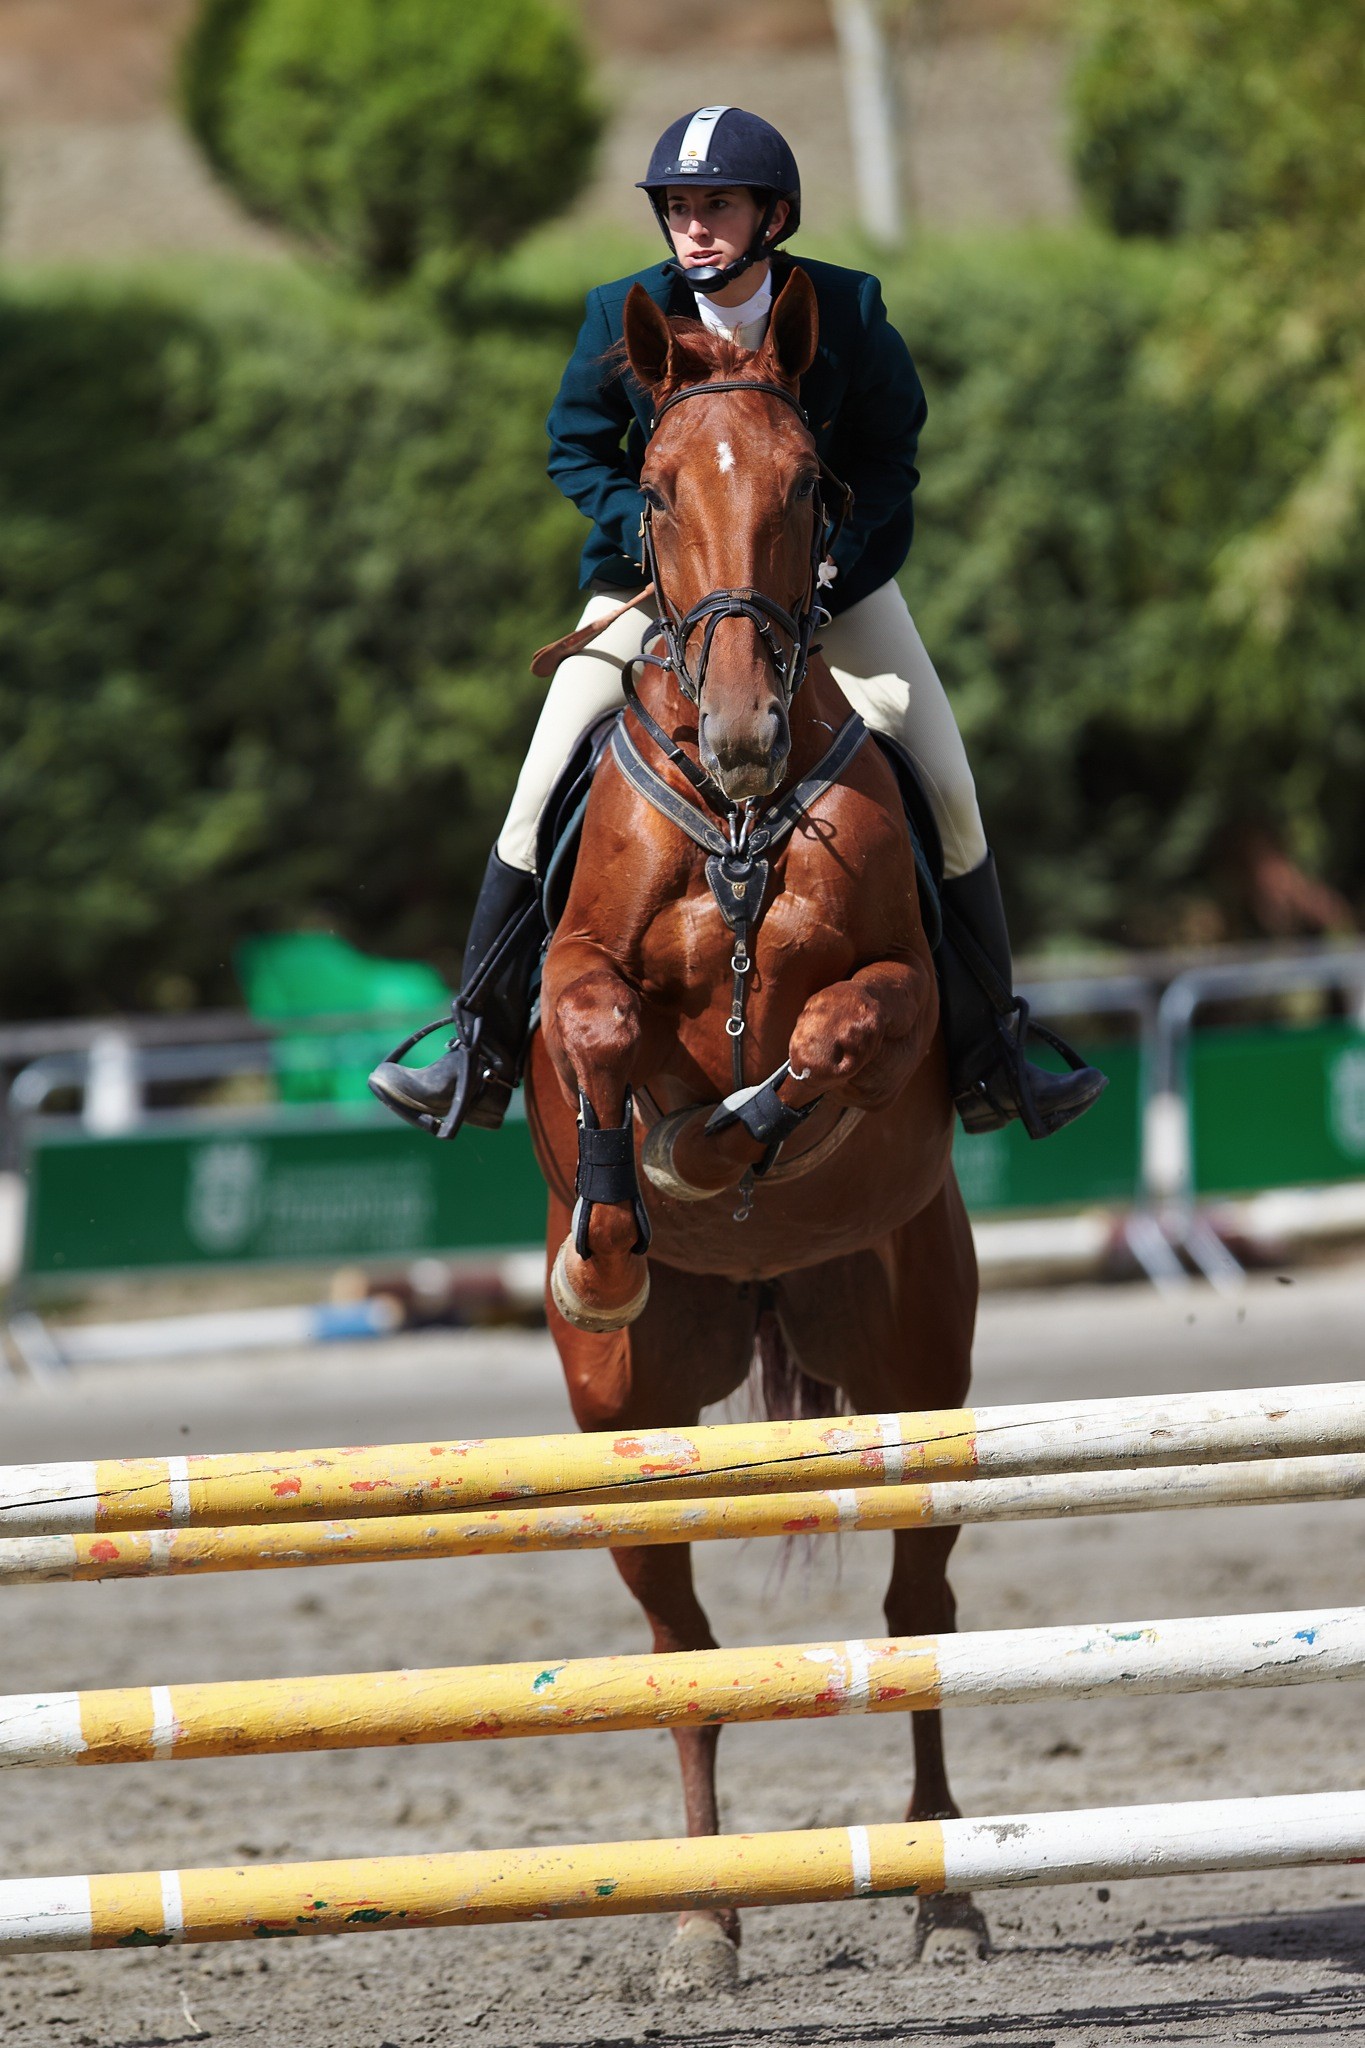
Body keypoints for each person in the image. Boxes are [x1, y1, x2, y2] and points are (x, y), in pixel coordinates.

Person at [370, 107, 1105, 1143]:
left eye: (716, 204)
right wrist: (655, 537)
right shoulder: (620, 313)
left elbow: (891, 453)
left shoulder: (846, 308)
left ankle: (994, 1053)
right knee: (538, 788)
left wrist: (836, 548)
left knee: (949, 785)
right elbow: (573, 448)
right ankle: (478, 1049)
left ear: (775, 217)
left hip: (829, 589)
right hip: (664, 592)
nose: (694, 226)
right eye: (678, 207)